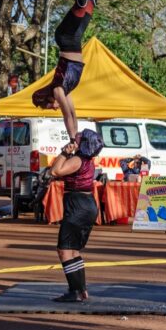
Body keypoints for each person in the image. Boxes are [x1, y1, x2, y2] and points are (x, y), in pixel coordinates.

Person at [32, 0, 118, 142]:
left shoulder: (57, 90)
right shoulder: (65, 90)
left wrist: (72, 139)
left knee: (80, 4)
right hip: (74, 41)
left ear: (48, 98)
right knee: (89, 5)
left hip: (66, 38)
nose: (54, 107)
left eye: (50, 106)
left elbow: (67, 115)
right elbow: (73, 113)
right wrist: (77, 137)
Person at [48, 128, 104, 302]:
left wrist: (64, 152)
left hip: (78, 205)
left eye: (78, 136)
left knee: (64, 250)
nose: (75, 136)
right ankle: (82, 289)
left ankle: (75, 292)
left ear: (84, 143)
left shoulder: (78, 160)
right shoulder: (88, 160)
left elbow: (55, 171)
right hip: (86, 204)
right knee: (73, 250)